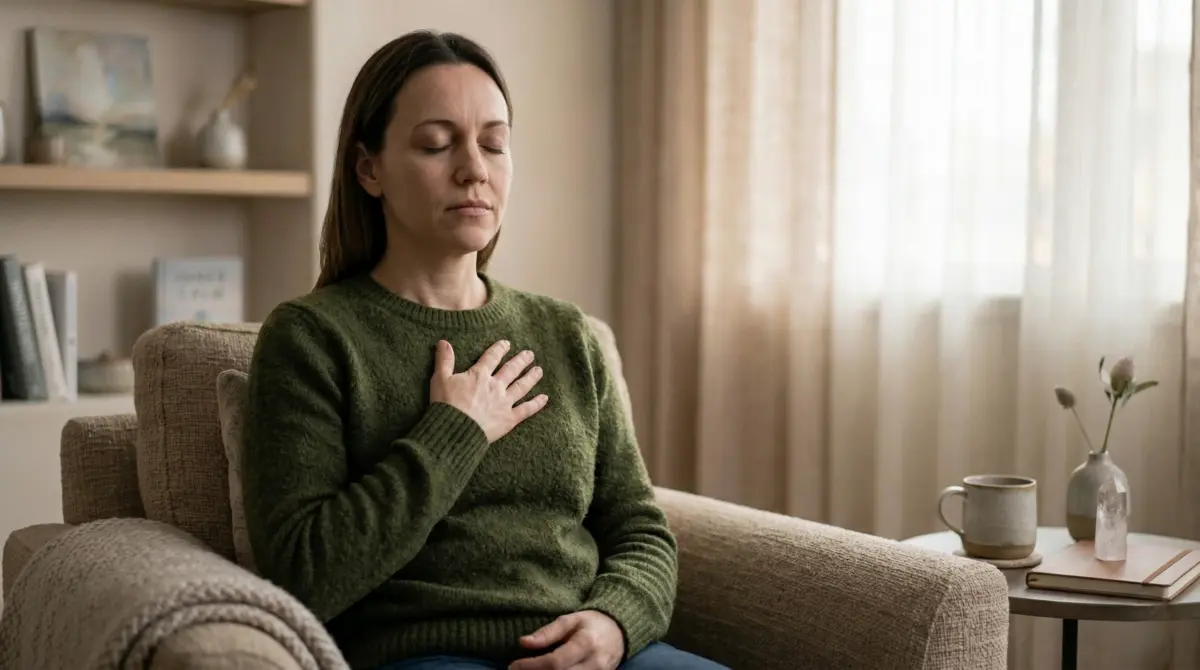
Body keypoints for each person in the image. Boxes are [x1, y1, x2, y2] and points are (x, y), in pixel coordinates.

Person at [241, 30, 730, 670]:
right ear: (369, 169)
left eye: (494, 143)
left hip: (595, 652)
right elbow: (303, 573)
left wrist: (614, 622)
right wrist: (456, 431)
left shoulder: (568, 335)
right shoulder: (311, 338)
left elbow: (640, 530)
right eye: (436, 144)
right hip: (425, 653)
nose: (474, 168)